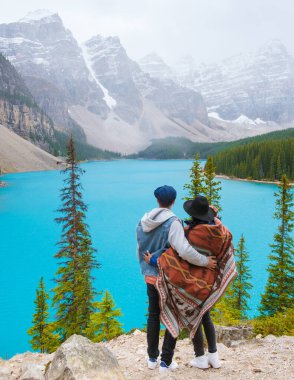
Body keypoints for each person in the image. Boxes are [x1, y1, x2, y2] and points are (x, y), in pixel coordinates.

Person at [136, 186, 217, 374]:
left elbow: (139, 247)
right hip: (167, 276)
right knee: (173, 315)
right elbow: (184, 250)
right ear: (173, 201)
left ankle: (151, 358)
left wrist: (148, 265)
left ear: (158, 200)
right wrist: (205, 261)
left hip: (149, 275)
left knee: (153, 315)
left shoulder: (143, 220)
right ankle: (166, 361)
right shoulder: (173, 222)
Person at [156, 195, 237, 370]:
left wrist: (159, 259)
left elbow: (180, 250)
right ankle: (213, 356)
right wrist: (214, 215)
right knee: (205, 315)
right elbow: (226, 239)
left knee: (195, 317)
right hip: (209, 281)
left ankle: (199, 357)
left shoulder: (191, 233)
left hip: (193, 284)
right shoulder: (220, 231)